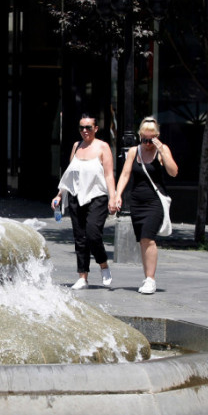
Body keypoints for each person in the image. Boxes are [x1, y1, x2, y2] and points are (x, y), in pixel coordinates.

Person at [52, 114, 118, 290]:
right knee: (79, 237)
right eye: (81, 128)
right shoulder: (76, 146)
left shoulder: (103, 147)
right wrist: (59, 195)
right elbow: (69, 174)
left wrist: (113, 197)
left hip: (97, 196)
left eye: (88, 127)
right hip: (76, 196)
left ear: (96, 128)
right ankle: (83, 276)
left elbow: (109, 175)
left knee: (93, 233)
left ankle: (103, 264)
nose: (85, 131)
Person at [114, 117, 179, 294]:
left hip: (155, 202)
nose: (147, 143)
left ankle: (151, 279)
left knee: (149, 238)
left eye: (151, 139)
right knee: (143, 240)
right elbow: (125, 174)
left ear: (157, 137)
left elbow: (173, 172)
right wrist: (117, 194)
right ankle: (147, 277)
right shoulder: (135, 151)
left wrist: (162, 152)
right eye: (144, 139)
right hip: (137, 202)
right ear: (140, 136)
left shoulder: (162, 150)